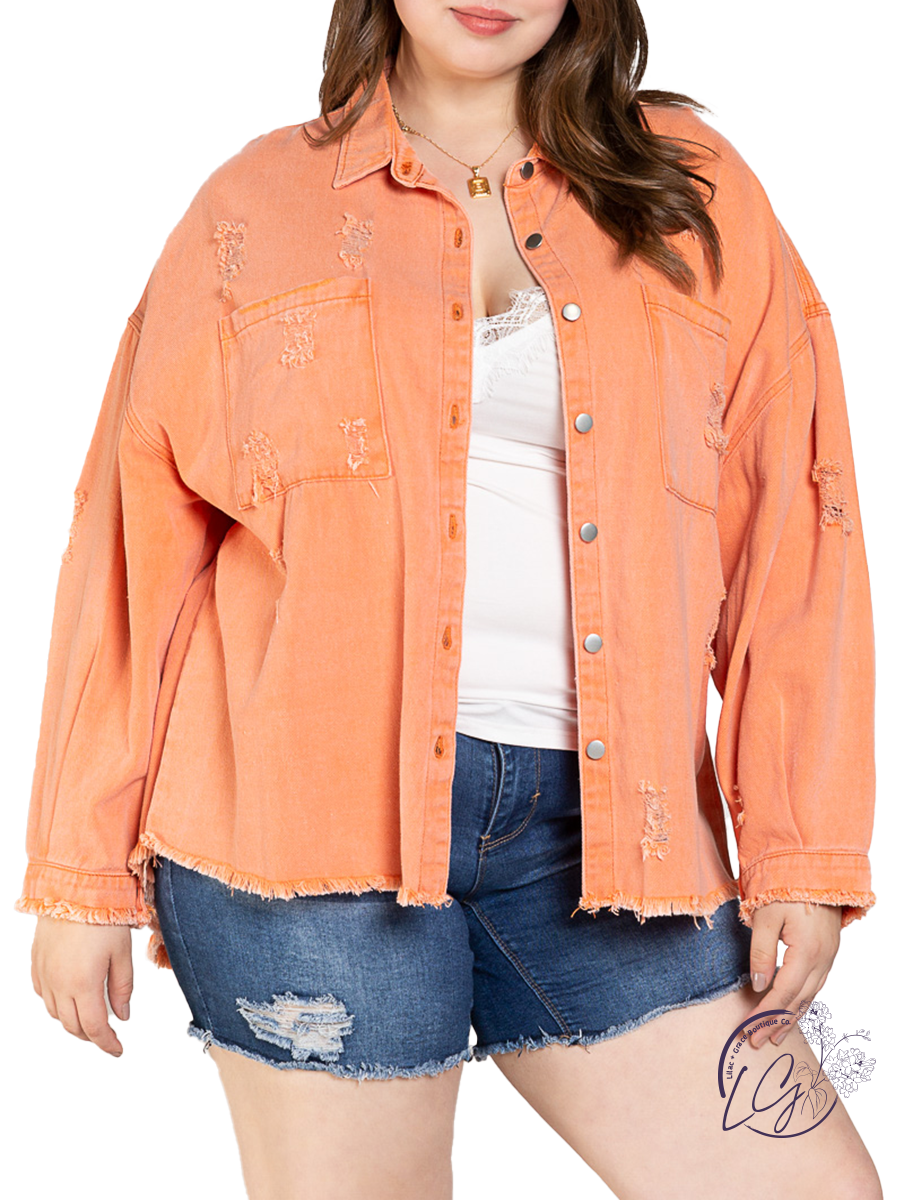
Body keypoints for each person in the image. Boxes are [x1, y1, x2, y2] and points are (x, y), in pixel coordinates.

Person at [18, 1, 881, 1197]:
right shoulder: (254, 206)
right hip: (304, 846)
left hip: (612, 842)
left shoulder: (693, 188)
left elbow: (795, 526)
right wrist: (79, 874)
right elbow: (134, 546)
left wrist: (799, 853)